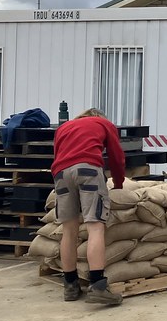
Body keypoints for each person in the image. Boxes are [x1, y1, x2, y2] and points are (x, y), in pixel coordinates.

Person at [51, 108, 126, 305]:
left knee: (69, 230)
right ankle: (98, 286)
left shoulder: (64, 128)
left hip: (60, 174)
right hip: (88, 170)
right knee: (95, 226)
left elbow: (58, 155)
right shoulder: (104, 124)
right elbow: (117, 157)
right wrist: (118, 183)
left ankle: (70, 285)